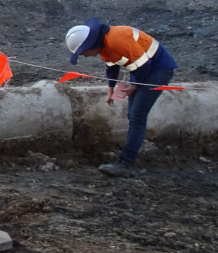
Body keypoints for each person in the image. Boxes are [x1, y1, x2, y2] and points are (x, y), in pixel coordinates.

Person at [65, 18, 178, 176]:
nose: (84, 56)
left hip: (158, 70)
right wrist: (110, 89)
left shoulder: (116, 40)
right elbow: (112, 67)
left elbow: (144, 65)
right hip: (144, 70)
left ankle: (125, 163)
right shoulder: (104, 46)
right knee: (133, 115)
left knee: (138, 116)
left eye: (83, 52)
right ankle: (127, 159)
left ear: (90, 45)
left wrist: (134, 85)